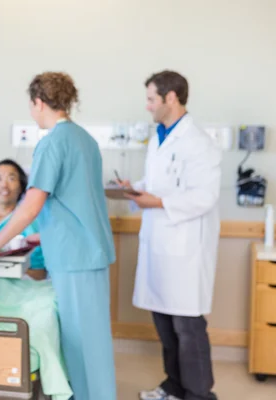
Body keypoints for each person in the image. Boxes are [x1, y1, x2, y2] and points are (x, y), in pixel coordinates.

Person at [0, 72, 117, 400]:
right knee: (95, 337)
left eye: (32, 105)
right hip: (90, 250)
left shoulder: (52, 142)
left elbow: (29, 207)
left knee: (81, 342)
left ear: (39, 102)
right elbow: (77, 201)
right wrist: (46, 236)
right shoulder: (85, 139)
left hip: (75, 257)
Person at [121, 70, 221, 400]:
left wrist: (157, 201)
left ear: (171, 98)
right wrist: (135, 189)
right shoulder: (160, 137)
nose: (148, 106)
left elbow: (204, 197)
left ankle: (199, 394)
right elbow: (162, 183)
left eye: (152, 99)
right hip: (160, 244)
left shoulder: (198, 142)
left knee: (187, 328)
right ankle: (174, 387)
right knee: (165, 326)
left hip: (186, 249)